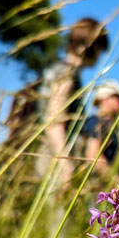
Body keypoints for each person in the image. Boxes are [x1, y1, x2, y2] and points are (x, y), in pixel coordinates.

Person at [37, 17, 109, 189]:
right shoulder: (67, 74)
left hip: (51, 151)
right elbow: (54, 120)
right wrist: (65, 163)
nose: (99, 56)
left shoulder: (59, 69)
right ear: (93, 46)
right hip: (54, 154)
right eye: (100, 50)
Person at [83, 80, 119, 178]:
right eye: (118, 97)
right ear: (105, 99)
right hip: (93, 179)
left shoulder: (110, 125)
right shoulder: (97, 122)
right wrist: (114, 181)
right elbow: (92, 156)